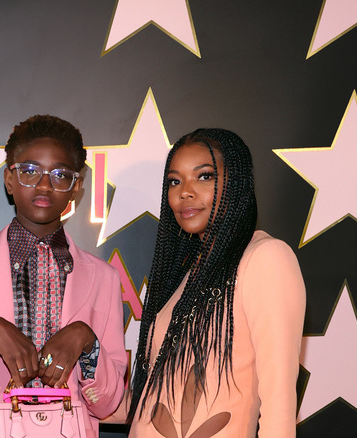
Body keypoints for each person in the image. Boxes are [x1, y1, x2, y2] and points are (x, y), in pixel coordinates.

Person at [0, 115, 127, 438]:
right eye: (29, 171)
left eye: (60, 175)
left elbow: (108, 404)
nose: (43, 185)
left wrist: (86, 341)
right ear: (9, 180)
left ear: (76, 187)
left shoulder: (104, 278)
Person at [126, 129, 305, 437]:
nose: (185, 192)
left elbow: (279, 405)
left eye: (204, 176)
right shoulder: (186, 275)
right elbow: (151, 398)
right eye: (174, 181)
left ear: (236, 184)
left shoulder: (265, 258)